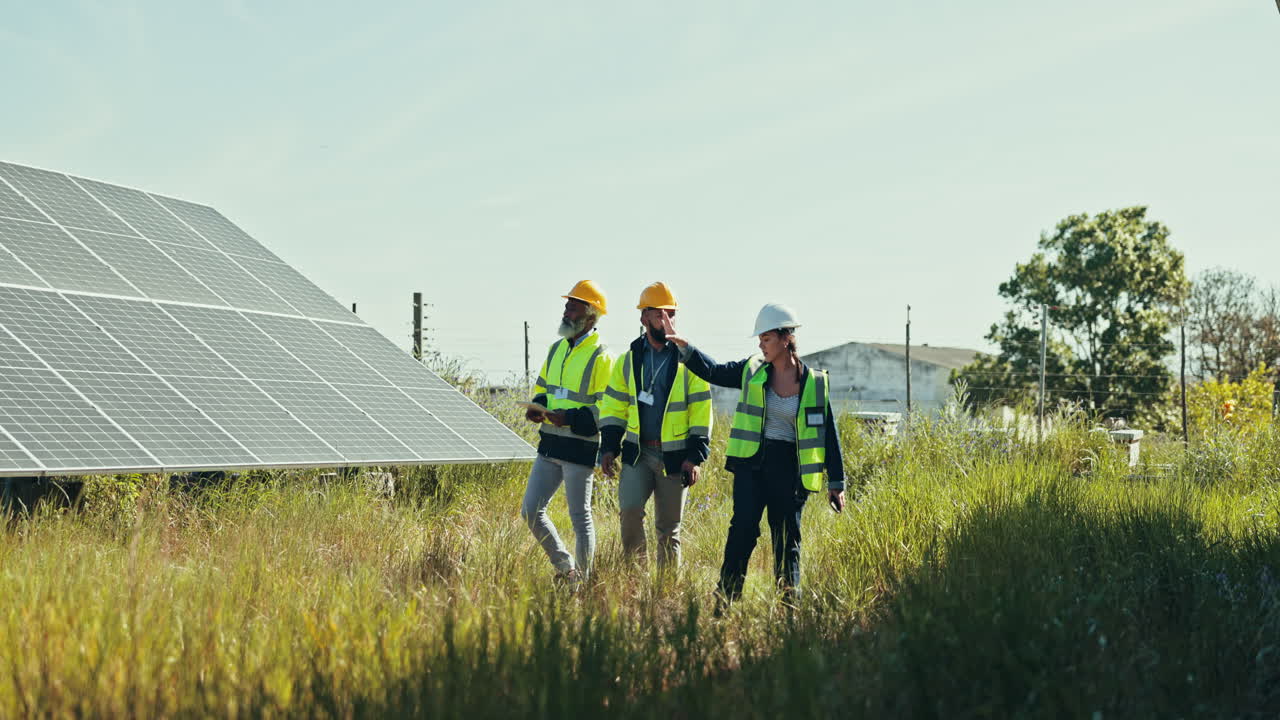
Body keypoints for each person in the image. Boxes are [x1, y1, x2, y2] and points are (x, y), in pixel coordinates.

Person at [664, 302, 845, 607]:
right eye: (760, 339)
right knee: (743, 531)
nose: (761, 345)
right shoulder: (751, 370)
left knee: (787, 539)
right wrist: (685, 347)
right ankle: (726, 599)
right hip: (752, 466)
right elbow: (714, 371)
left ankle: (789, 605)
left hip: (790, 471)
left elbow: (828, 432)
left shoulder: (814, 383)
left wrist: (837, 482)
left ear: (786, 338)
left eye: (766, 338)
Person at [598, 282, 713, 570]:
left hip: (675, 458)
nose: (667, 320)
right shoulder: (628, 360)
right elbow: (614, 405)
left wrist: (695, 457)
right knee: (629, 512)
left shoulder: (689, 360)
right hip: (638, 453)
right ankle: (635, 580)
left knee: (668, 530)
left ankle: (666, 588)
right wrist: (609, 447)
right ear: (644, 318)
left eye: (671, 314)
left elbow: (701, 409)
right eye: (660, 314)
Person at [521, 280, 613, 587]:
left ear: (589, 316)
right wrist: (537, 407)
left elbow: (605, 408)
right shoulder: (556, 349)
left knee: (580, 519)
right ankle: (567, 568)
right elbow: (543, 389)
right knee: (531, 511)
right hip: (549, 444)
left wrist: (569, 419)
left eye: (572, 307)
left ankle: (582, 584)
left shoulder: (601, 356)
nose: (565, 311)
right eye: (566, 306)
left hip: (579, 447)